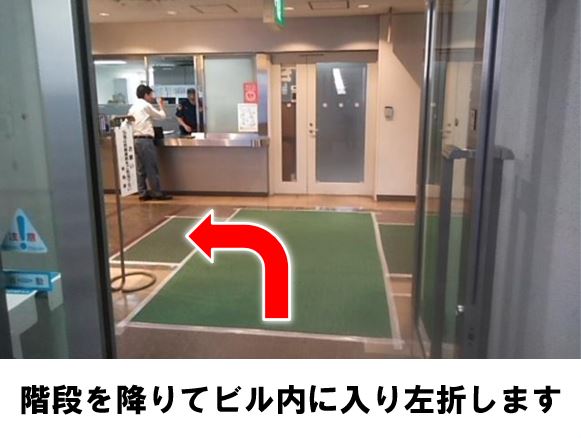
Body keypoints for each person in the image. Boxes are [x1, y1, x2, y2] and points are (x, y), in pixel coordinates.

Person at [128, 85, 172, 201]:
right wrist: (161, 106)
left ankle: (142, 193)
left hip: (136, 139)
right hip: (145, 140)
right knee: (151, 167)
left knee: (140, 168)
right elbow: (161, 116)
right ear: (146, 95)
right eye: (151, 94)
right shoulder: (145, 105)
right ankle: (157, 193)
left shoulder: (133, 107)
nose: (152, 97)